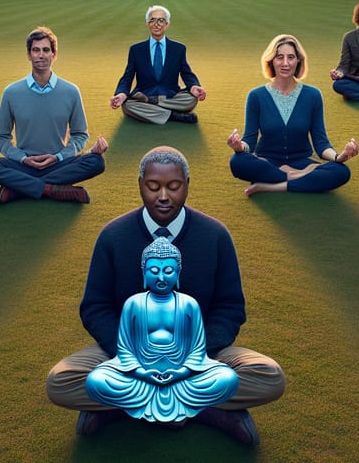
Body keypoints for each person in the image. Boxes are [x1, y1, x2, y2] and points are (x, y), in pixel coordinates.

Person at [46, 146, 285, 445]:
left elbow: (230, 307)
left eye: (173, 187)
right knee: (61, 381)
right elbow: (95, 307)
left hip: (201, 356)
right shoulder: (113, 235)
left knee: (269, 376)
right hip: (128, 356)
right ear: (140, 186)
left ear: (186, 184)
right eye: (153, 186)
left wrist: (194, 358)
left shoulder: (215, 235)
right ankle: (203, 407)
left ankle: (121, 408)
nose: (163, 196)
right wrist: (131, 358)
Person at [85, 237, 239, 423]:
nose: (161, 278)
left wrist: (182, 372)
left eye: (167, 271)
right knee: (96, 380)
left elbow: (197, 350)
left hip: (183, 376)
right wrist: (141, 373)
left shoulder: (189, 305)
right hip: (140, 376)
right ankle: (200, 410)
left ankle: (122, 409)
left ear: (178, 273)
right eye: (154, 271)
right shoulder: (133, 304)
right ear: (143, 273)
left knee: (227, 378)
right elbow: (125, 349)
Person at [0, 26, 107, 205]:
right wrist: (23, 158)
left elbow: (80, 135)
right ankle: (52, 189)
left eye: (46, 50)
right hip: (23, 164)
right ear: (29, 54)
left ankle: (18, 189)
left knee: (96, 162)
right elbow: (0, 138)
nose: (41, 55)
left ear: (54, 55)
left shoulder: (71, 91)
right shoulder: (12, 92)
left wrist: (59, 157)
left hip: (59, 163)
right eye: (36, 50)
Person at [228, 34, 359, 195]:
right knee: (237, 162)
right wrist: (239, 147)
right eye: (279, 57)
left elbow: (321, 143)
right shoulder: (256, 96)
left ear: (298, 61)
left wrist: (340, 156)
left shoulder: (313, 95)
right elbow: (249, 141)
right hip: (267, 162)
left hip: (302, 163)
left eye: (291, 57)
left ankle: (270, 185)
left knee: (342, 171)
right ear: (271, 61)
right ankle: (300, 179)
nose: (285, 63)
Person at [110, 5, 206, 124]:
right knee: (127, 105)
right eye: (152, 20)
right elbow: (127, 77)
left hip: (169, 96)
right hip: (144, 94)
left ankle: (154, 106)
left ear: (167, 24)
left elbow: (186, 73)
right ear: (147, 23)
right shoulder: (136, 50)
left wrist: (194, 86)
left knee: (191, 99)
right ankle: (173, 115)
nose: (156, 24)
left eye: (161, 20)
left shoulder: (179, 48)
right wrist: (121, 94)